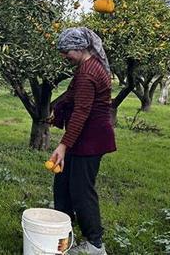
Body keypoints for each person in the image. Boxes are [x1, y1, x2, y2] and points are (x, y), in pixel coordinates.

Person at [48, 27, 116, 255]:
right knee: (62, 186)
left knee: (81, 190)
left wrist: (62, 145)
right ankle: (64, 235)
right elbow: (72, 96)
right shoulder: (86, 66)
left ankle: (95, 244)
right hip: (83, 137)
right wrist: (57, 110)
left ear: (79, 48)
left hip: (91, 139)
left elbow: (82, 112)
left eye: (66, 51)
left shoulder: (88, 72)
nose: (64, 56)